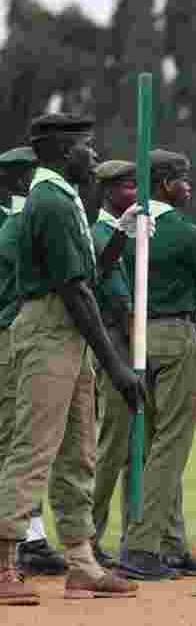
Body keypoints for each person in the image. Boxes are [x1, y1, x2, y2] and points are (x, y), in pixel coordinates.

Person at [0, 114, 141, 605]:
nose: (95, 156)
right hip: (49, 329)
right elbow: (76, 291)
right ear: (63, 149)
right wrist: (117, 365)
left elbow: (88, 278)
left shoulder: (63, 199)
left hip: (69, 334)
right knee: (33, 448)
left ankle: (81, 561)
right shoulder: (52, 202)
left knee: (78, 451)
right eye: (88, 147)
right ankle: (3, 564)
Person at [118, 149, 196, 580]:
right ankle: (142, 547)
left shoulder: (132, 229)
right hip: (175, 338)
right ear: (165, 183)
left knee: (153, 441)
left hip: (139, 339)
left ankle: (171, 545)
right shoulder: (185, 231)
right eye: (183, 179)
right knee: (170, 448)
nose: (189, 186)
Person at [0, 146, 67, 577]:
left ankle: (32, 534)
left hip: (14, 331)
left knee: (20, 437)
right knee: (19, 439)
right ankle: (25, 538)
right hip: (12, 330)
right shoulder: (18, 225)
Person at [89, 160, 143, 567]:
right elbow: (108, 287)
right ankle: (89, 535)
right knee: (112, 443)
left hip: (130, 339)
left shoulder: (127, 232)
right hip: (113, 341)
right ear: (108, 192)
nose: (134, 193)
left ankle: (131, 533)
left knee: (130, 447)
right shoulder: (101, 234)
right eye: (126, 187)